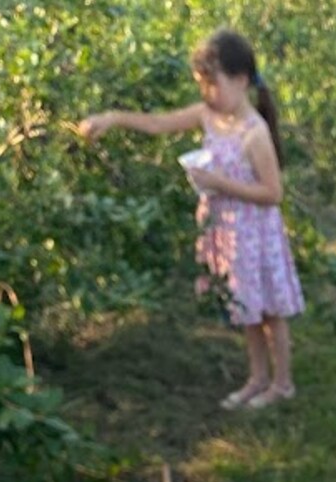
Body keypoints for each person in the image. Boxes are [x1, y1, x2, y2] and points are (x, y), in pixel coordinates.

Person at [79, 28, 304, 410]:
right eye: (201, 84)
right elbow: (158, 123)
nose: (206, 93)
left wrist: (219, 183)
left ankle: (282, 383)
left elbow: (273, 194)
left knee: (270, 313)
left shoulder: (255, 133)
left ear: (241, 80)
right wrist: (111, 118)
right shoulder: (208, 115)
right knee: (246, 307)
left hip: (255, 233)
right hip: (229, 232)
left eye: (212, 84)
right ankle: (257, 378)